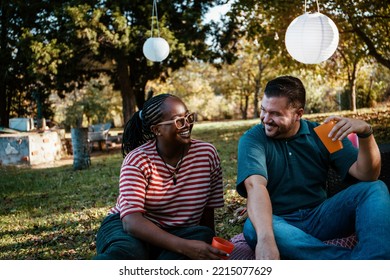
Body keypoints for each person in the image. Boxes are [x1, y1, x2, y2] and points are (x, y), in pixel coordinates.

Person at [236, 75, 390, 260]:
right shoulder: (253, 139)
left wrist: (366, 133)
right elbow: (255, 186)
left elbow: (367, 175)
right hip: (280, 222)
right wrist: (266, 239)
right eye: (263, 110)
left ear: (298, 114)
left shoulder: (324, 133)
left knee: (375, 188)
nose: (266, 119)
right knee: (255, 228)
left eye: (276, 114)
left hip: (322, 217)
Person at [94, 93, 226, 260]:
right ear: (156, 130)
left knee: (202, 235)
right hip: (128, 228)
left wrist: (209, 248)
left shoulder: (207, 154)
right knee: (131, 252)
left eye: (188, 117)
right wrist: (184, 247)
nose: (187, 125)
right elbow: (131, 222)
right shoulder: (138, 160)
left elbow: (207, 211)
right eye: (179, 121)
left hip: (179, 231)